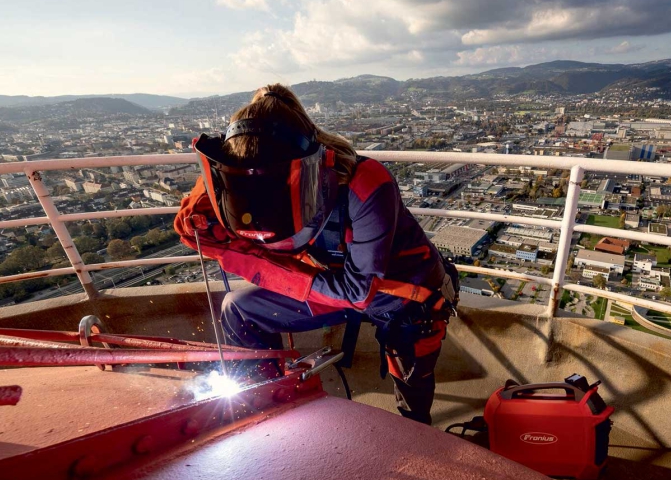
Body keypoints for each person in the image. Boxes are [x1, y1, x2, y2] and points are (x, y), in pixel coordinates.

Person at [174, 84, 458, 425]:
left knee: (412, 392)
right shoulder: (245, 179)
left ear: (303, 171)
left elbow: (359, 290)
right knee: (238, 309)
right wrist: (213, 194)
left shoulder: (365, 184)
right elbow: (198, 222)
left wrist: (263, 266)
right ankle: (265, 405)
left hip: (402, 297)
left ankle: (416, 433)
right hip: (330, 281)